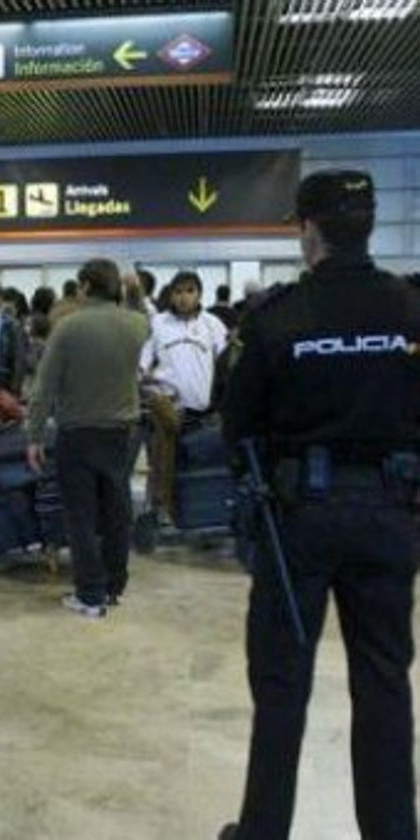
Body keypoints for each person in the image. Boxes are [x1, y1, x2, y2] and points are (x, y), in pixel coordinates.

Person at [219, 170, 420, 840]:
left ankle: (263, 831)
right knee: (385, 681)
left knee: (281, 688)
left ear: (308, 231)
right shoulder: (410, 311)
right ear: (367, 225)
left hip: (298, 520)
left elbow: (237, 426)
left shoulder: (277, 318)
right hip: (393, 513)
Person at [26, 259, 150, 617]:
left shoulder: (68, 327)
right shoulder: (135, 324)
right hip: (121, 433)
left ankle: (90, 594)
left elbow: (44, 388)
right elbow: (145, 318)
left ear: (84, 287)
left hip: (77, 432)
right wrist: (135, 292)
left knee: (81, 515)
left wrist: (34, 435)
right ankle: (115, 585)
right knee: (117, 510)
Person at [139, 270, 228, 526]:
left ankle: (199, 509)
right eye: (178, 291)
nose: (184, 297)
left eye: (190, 291)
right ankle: (161, 506)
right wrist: (146, 384)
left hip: (203, 409)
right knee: (165, 449)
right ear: (171, 294)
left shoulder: (213, 324)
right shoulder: (158, 324)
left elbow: (225, 364)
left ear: (199, 293)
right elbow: (142, 365)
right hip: (167, 405)